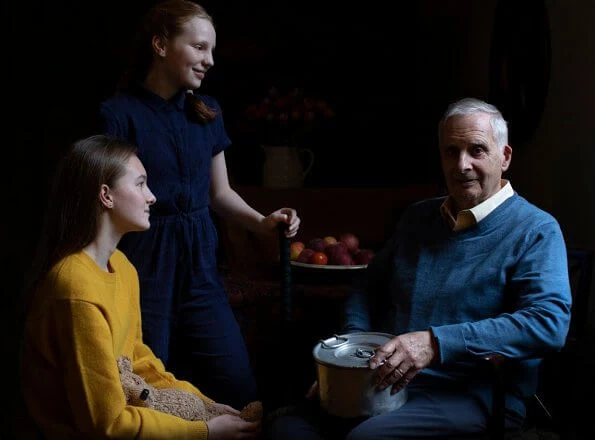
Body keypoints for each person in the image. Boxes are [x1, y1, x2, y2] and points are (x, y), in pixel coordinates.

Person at [269, 97, 572, 439]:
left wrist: (435, 343)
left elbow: (549, 323)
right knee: (286, 428)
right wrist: (350, 361)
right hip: (382, 379)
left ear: (505, 157)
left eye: (477, 150)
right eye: (450, 151)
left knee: (366, 438)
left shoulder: (536, 229)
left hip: (471, 392)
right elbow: (366, 288)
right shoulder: (418, 217)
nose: (462, 165)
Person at [98, 0, 300, 410]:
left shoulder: (208, 113)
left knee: (241, 390)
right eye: (199, 48)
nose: (209, 61)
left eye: (212, 51)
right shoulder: (117, 115)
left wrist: (262, 222)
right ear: (160, 44)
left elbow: (218, 194)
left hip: (202, 271)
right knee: (146, 395)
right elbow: (106, 200)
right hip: (142, 268)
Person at [20, 134, 261, 439]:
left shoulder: (122, 266)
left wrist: (206, 407)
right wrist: (204, 433)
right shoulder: (74, 289)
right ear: (106, 196)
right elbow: (106, 425)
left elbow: (138, 361)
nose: (152, 197)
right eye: (140, 184)